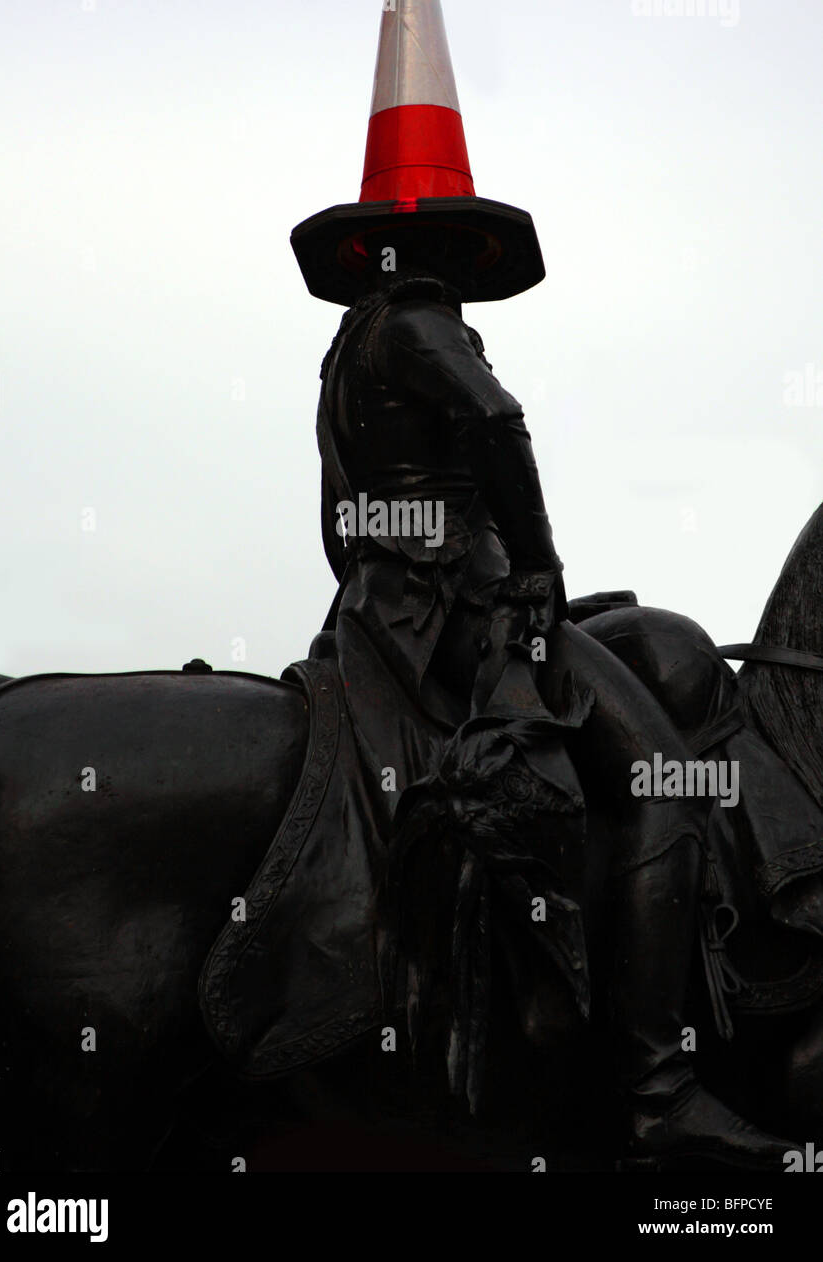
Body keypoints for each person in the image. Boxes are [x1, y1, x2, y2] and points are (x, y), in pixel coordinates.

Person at [317, 259, 794, 1167]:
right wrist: (533, 569)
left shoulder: (349, 349)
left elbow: (341, 519)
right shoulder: (420, 317)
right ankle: (661, 1091)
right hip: (459, 603)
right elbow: (497, 422)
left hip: (394, 607)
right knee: (668, 784)